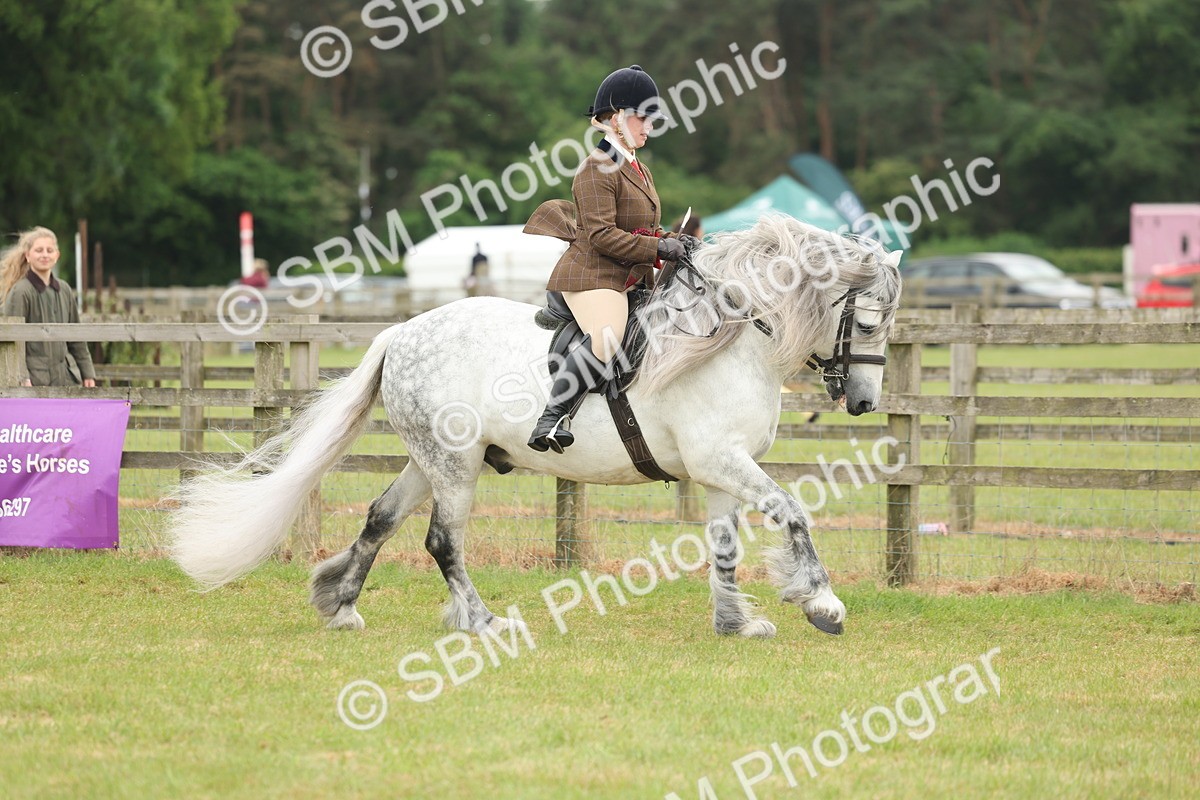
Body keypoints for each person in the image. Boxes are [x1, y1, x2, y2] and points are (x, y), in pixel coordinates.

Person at [523, 64, 688, 453]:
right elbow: (600, 235)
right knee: (608, 335)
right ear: (617, 118)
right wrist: (657, 249)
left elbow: (641, 227)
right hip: (592, 275)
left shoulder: (639, 168)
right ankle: (552, 417)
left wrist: (671, 241)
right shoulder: (595, 168)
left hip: (628, 277)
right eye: (643, 119)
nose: (649, 128)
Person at [0, 226, 96, 388]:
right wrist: (22, 377)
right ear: (28, 256)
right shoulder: (21, 291)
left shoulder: (64, 289)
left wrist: (87, 373)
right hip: (35, 381)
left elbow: (76, 337)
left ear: (57, 255)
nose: (45, 254)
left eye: (49, 250)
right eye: (39, 250)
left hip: (66, 379)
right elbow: (14, 342)